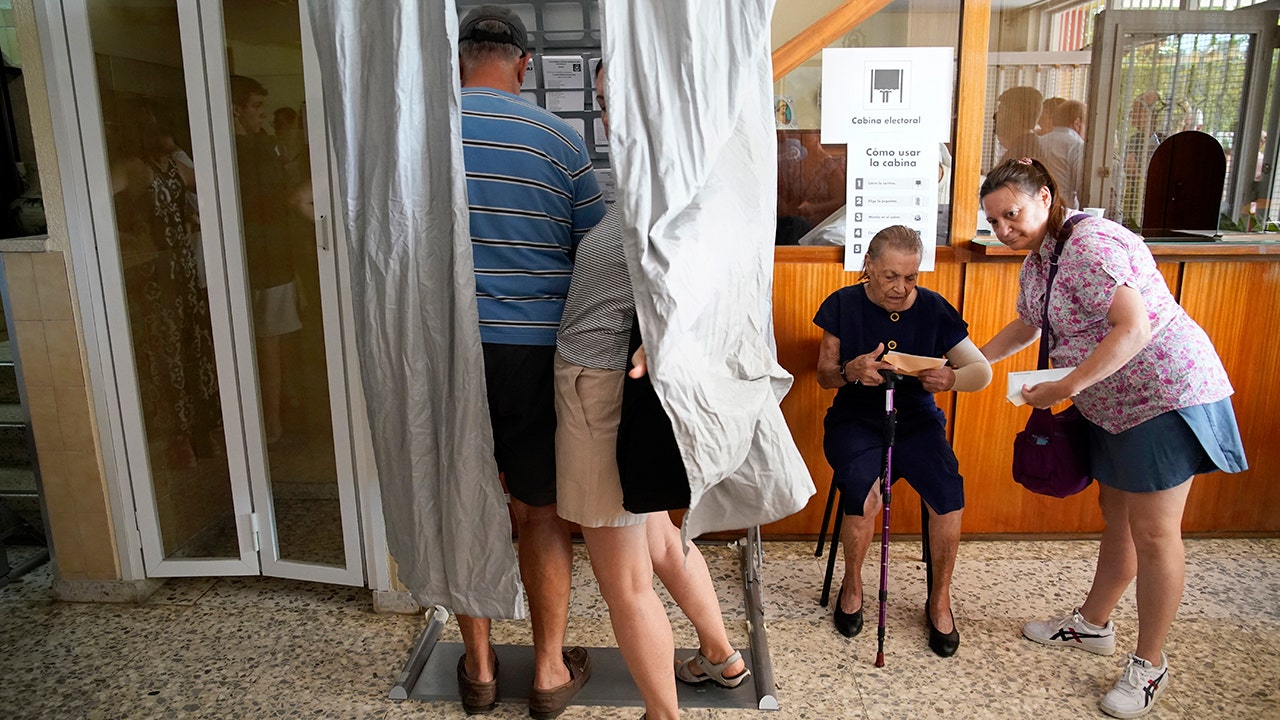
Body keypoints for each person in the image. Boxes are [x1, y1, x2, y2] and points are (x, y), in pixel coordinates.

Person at [978, 158, 1247, 719]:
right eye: (995, 221)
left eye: (1013, 215)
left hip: (1162, 393)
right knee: (1118, 515)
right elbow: (1029, 324)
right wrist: (969, 365)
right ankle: (1093, 625)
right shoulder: (1040, 258)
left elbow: (1135, 327)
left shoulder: (1091, 245)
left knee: (1154, 532)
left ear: (1046, 198)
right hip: (1113, 402)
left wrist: (1064, 387)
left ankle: (1150, 666)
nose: (1004, 230)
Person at [553, 60, 749, 720]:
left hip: (599, 391)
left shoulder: (674, 183)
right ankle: (722, 657)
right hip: (604, 386)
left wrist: (668, 334)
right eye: (605, 102)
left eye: (624, 101)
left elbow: (708, 259)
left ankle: (663, 715)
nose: (611, 117)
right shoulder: (654, 180)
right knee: (662, 544)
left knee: (626, 582)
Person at [453, 6, 605, 718]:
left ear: (460, 61)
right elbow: (596, 254)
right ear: (522, 65)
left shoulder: (427, 134)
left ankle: (480, 669)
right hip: (536, 350)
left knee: (464, 504)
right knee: (538, 511)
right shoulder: (558, 140)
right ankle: (547, 673)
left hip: (447, 347)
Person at [814, 225, 992, 657]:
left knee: (948, 493)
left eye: (911, 277)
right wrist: (851, 372)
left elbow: (981, 372)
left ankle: (939, 599)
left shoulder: (934, 308)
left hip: (916, 421)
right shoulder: (842, 304)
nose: (901, 288)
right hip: (855, 421)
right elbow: (823, 376)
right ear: (869, 267)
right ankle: (852, 584)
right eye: (891, 276)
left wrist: (951, 378)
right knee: (863, 489)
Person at [230, 74, 303, 447]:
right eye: (255, 107)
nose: (262, 114)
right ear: (235, 110)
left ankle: (279, 413)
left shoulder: (265, 146)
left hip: (276, 257)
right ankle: (270, 421)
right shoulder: (229, 154)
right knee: (266, 344)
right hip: (254, 259)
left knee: (277, 340)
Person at [1039, 99, 1086, 209]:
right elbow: (1082, 189)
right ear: (1077, 123)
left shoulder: (1039, 141)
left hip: (1039, 207)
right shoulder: (1077, 146)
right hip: (1065, 211)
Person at [994, 86, 1044, 168]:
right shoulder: (1025, 147)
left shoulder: (1023, 154)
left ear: (1016, 116)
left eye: (1001, 110)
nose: (996, 116)